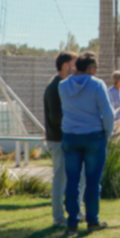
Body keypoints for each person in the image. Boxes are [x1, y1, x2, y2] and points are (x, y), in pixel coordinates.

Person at [59, 51, 115, 231]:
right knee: (92, 181)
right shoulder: (97, 84)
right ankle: (92, 220)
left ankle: (72, 221)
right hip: (93, 135)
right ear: (91, 68)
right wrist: (107, 133)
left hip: (70, 136)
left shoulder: (63, 86)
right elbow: (107, 112)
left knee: (72, 180)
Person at [42, 51, 81, 227]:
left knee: (74, 178)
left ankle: (76, 211)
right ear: (65, 66)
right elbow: (57, 117)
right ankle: (58, 217)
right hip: (58, 140)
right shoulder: (55, 87)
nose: (77, 67)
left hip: (66, 139)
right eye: (74, 63)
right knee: (60, 178)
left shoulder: (64, 84)